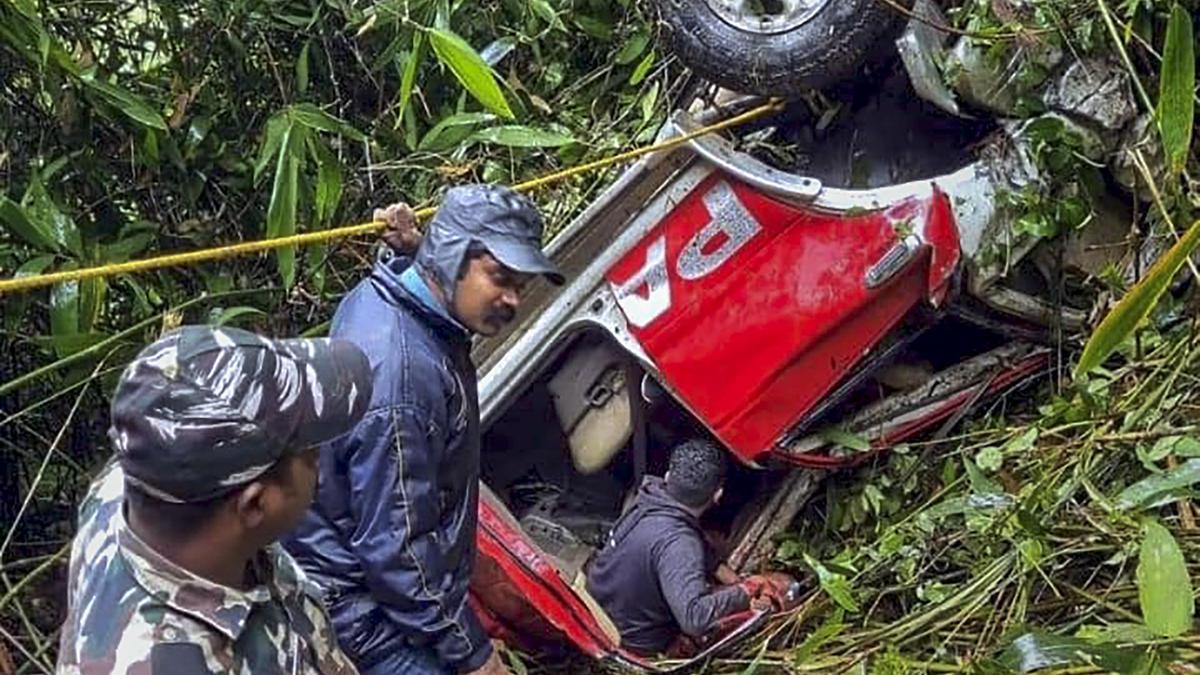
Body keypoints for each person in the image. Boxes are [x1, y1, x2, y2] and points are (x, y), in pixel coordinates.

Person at [284, 185, 565, 675]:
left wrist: (419, 248)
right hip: (368, 612)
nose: (513, 299)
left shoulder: (386, 295)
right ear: (453, 258)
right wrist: (473, 653)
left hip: (354, 579)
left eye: (521, 284)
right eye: (501, 278)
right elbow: (398, 549)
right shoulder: (404, 380)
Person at [56, 325, 375, 675]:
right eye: (312, 454)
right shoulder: (168, 659)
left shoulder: (132, 481)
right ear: (255, 504)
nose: (321, 463)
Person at [586, 439, 795, 657]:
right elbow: (694, 620)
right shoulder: (680, 543)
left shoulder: (647, 498)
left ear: (668, 476)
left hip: (597, 610)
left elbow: (701, 550)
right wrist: (749, 588)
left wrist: (736, 582)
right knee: (767, 600)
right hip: (629, 643)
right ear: (718, 495)